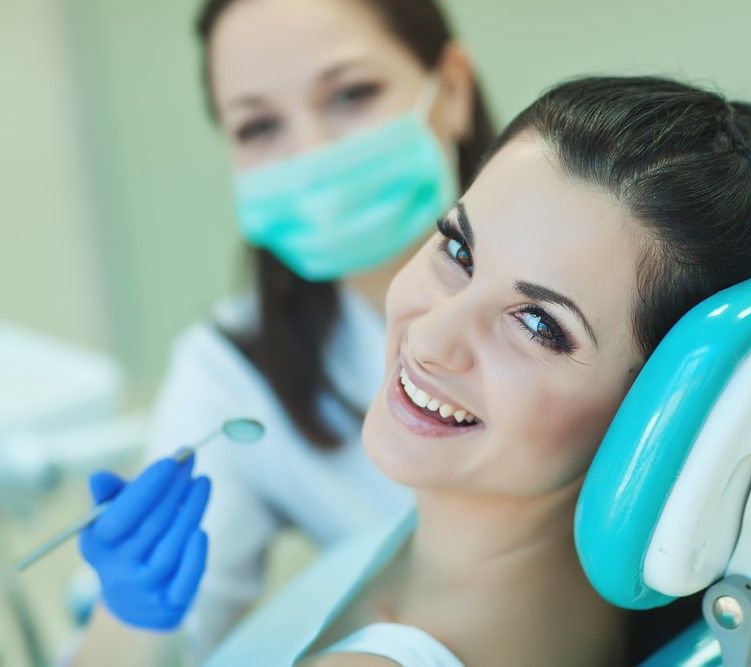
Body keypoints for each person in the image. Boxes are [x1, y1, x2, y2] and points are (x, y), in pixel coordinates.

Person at [77, 75, 751, 666]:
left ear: (663, 414)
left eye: (538, 324)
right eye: (457, 247)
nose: (432, 334)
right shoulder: (620, 600)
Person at [75, 0, 495, 660]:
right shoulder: (235, 370)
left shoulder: (601, 272)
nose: (311, 153)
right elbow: (153, 644)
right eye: (258, 126)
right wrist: (131, 614)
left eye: (351, 94)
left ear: (453, 89)